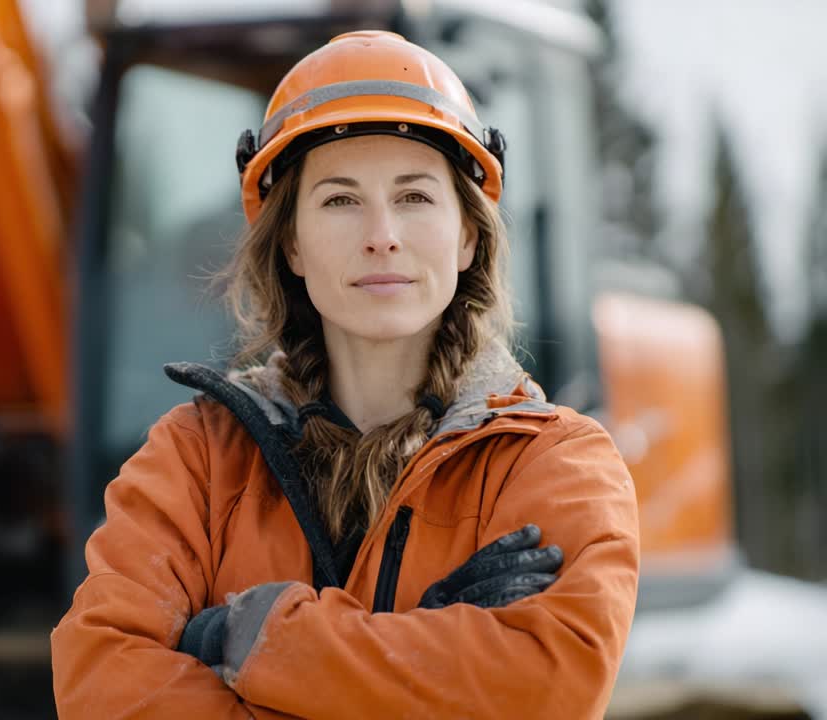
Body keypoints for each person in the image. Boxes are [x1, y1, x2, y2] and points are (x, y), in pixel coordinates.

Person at [51, 30, 639, 719]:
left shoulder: (554, 466)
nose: (381, 232)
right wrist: (432, 663)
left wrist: (256, 638)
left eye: (415, 197)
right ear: (292, 242)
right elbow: (102, 684)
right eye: (339, 200)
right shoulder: (195, 462)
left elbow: (549, 688)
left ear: (468, 236)